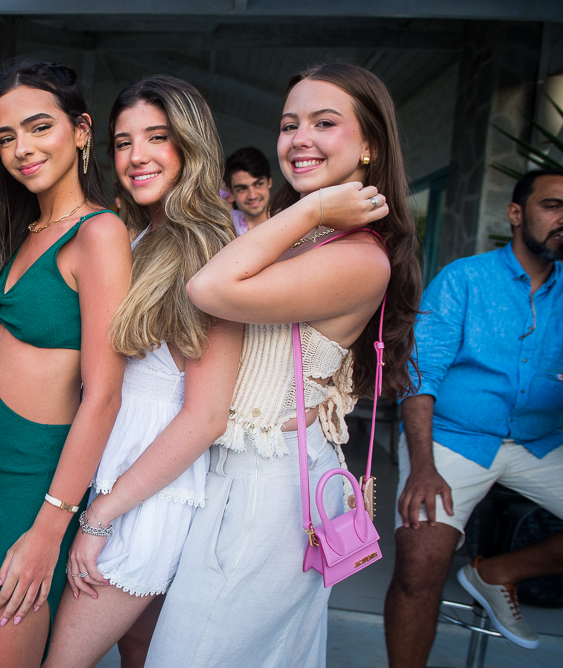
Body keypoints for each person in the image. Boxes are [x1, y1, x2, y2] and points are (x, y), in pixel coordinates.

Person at [148, 62, 421, 667]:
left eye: (325, 123)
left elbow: (210, 289)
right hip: (246, 473)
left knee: (190, 655)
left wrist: (314, 208)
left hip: (266, 488)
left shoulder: (360, 258)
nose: (299, 138)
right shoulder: (310, 238)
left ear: (370, 145)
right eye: (289, 123)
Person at [44, 75, 243, 668]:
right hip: (111, 464)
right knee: (142, 649)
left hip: (144, 490)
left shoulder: (207, 245)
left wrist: (101, 515)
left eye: (157, 137)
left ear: (191, 144)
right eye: (124, 142)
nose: (137, 157)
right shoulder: (135, 236)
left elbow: (205, 415)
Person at [0, 61, 131, 668]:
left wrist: (49, 529)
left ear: (81, 130)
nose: (21, 149)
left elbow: (103, 395)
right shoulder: (25, 228)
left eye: (38, 128)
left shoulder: (99, 233)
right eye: (6, 137)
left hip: (33, 489)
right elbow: (9, 363)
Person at [383, 169, 563, 664]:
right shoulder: (465, 279)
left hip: (541, 441)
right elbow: (420, 376)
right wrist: (422, 466)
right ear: (516, 214)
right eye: (552, 206)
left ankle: (499, 571)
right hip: (452, 438)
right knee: (420, 561)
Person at [223, 146, 273, 235]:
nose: (252, 196)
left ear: (269, 182)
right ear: (231, 192)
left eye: (258, 184)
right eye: (242, 189)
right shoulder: (226, 223)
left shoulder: (290, 217)